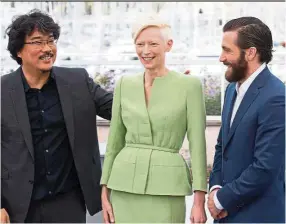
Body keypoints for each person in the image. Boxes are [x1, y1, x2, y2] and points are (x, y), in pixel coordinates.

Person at [1, 9, 113, 223]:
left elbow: (117, 109)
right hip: (18, 206)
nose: (47, 49)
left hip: (68, 201)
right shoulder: (2, 92)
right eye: (37, 42)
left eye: (51, 41)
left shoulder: (78, 81)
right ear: (18, 51)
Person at [100, 15, 208, 223]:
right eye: (139, 44)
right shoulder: (124, 84)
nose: (145, 51)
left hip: (167, 187)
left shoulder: (190, 86)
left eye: (153, 44)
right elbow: (114, 141)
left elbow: (198, 146)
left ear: (168, 45)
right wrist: (104, 190)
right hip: (123, 187)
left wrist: (198, 201)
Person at [208, 16, 285, 223]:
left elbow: (265, 167)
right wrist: (215, 188)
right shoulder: (232, 89)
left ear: (250, 53)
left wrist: (221, 199)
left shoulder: (276, 97)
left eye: (227, 50)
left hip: (257, 215)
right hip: (225, 214)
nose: (221, 58)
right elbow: (221, 146)